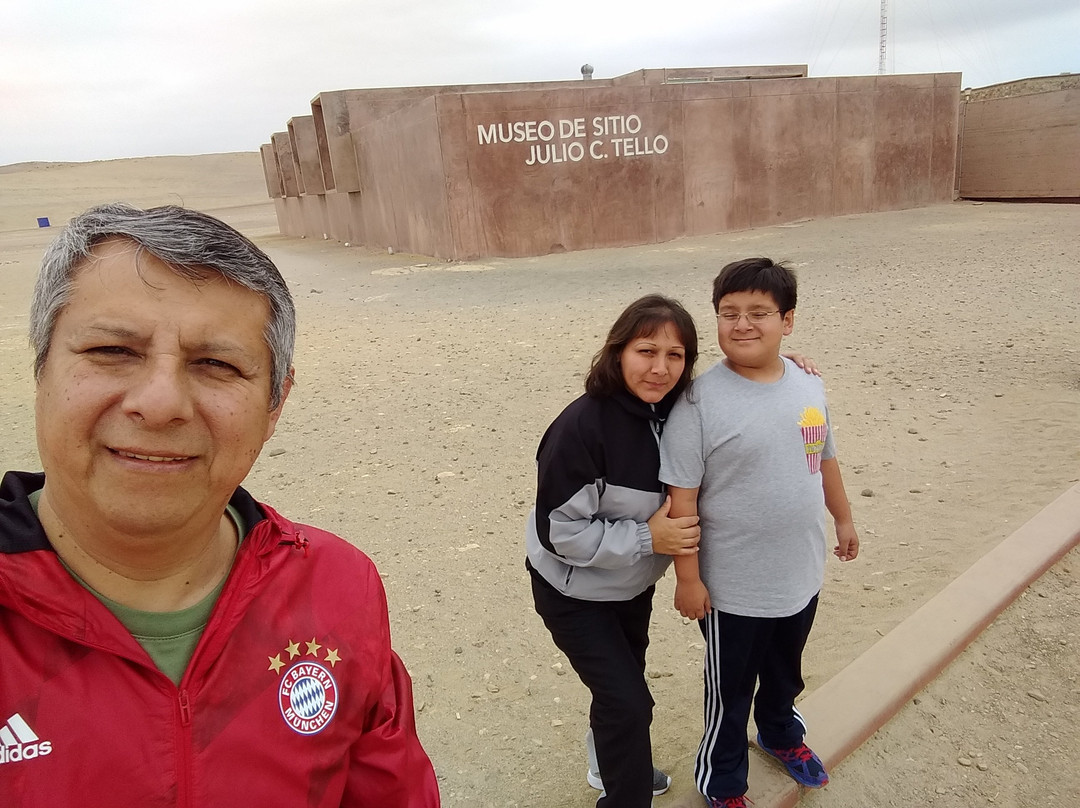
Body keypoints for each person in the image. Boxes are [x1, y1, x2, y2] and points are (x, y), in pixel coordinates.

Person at [0, 204, 440, 807]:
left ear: (274, 404)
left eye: (216, 364)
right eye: (111, 350)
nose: (160, 404)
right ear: (41, 367)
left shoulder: (337, 587)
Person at [525, 294, 817, 808]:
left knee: (621, 689)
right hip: (571, 591)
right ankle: (626, 795)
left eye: (675, 355)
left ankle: (610, 762)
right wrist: (647, 539)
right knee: (630, 703)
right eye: (645, 351)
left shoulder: (675, 412)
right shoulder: (580, 429)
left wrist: (784, 368)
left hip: (630, 584)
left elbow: (743, 395)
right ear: (617, 352)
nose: (660, 368)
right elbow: (559, 533)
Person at [659, 257, 859, 808]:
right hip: (734, 591)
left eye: (758, 313)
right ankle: (722, 781)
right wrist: (688, 580)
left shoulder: (808, 385)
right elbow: (682, 502)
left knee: (784, 671)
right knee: (729, 693)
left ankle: (780, 733)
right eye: (729, 313)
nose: (742, 325)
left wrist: (842, 518)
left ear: (787, 320)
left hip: (800, 573)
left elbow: (823, 459)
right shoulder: (697, 403)